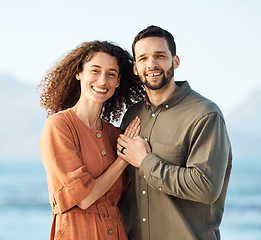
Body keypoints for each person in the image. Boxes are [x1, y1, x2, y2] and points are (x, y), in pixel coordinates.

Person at [117, 25, 232, 240]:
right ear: (135, 67)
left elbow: (206, 187)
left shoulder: (205, 114)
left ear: (175, 61)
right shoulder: (132, 115)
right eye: (143, 58)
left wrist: (145, 161)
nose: (151, 64)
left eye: (159, 56)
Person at [39, 41, 144, 239]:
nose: (102, 80)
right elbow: (84, 199)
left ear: (118, 81)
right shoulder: (59, 126)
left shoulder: (116, 135)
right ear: (79, 73)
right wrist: (123, 159)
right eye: (95, 71)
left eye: (111, 74)